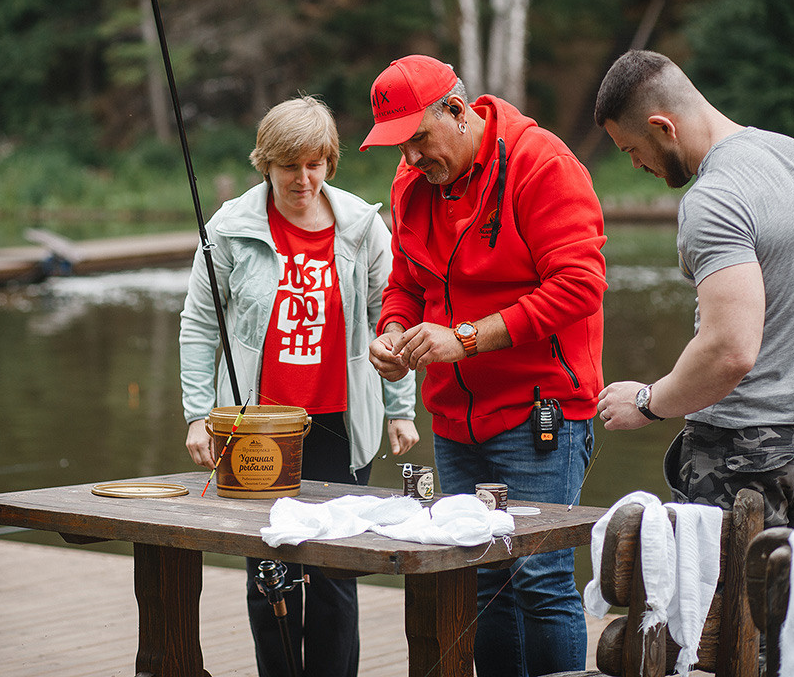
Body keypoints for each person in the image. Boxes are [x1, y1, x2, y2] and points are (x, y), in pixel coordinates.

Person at [363, 55, 606, 676]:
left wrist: (465, 339)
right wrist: (392, 335)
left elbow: (580, 286)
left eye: (418, 138)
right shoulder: (412, 182)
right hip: (455, 419)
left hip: (538, 414)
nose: (412, 158)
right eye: (400, 146)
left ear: (456, 109)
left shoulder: (540, 163)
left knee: (539, 578)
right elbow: (405, 283)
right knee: (481, 578)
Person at [179, 95, 419, 677]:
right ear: (267, 163)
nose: (302, 178)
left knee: (337, 577)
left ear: (329, 163)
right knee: (271, 574)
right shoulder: (230, 229)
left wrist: (399, 407)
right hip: (258, 429)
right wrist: (197, 413)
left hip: (341, 423)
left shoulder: (364, 227)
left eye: (314, 164)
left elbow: (391, 317)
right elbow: (199, 323)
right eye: (289, 165)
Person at [593, 49, 794, 530]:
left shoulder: (715, 198)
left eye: (632, 149)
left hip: (741, 455)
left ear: (662, 127)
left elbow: (730, 349)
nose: (635, 165)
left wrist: (646, 403)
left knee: (718, 603)